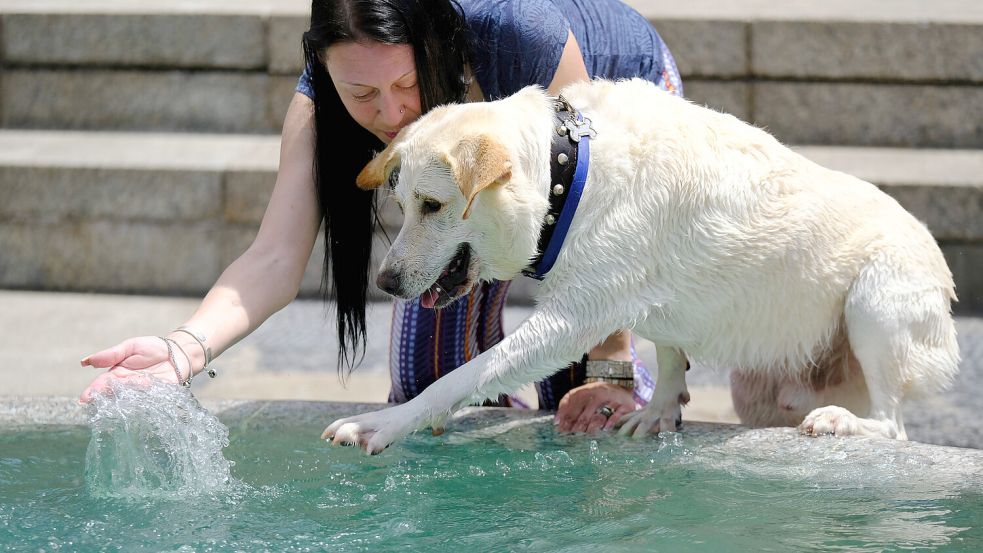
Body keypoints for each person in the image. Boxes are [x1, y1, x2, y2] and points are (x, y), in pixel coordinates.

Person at [80, 0, 683, 435]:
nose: (390, 112)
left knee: (588, 395)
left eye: (406, 81)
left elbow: (604, 225)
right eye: (362, 95)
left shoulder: (514, 33)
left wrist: (614, 368)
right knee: (425, 387)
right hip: (492, 167)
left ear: (436, 47)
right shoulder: (320, 98)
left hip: (620, 126)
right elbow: (273, 257)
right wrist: (185, 348)